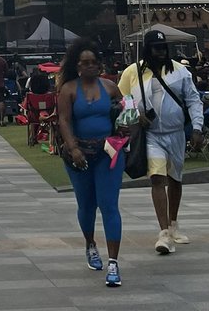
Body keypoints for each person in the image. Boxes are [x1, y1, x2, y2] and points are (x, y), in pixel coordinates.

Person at [118, 29, 204, 255]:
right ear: (147, 49)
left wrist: (197, 128)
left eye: (163, 48)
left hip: (176, 133)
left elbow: (193, 100)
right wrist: (136, 115)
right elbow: (121, 101)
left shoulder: (179, 71)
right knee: (157, 178)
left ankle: (173, 223)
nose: (160, 52)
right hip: (151, 135)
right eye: (156, 48)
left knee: (175, 178)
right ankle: (164, 232)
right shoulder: (132, 72)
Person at [56, 41, 126, 288]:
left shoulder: (110, 87)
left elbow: (126, 111)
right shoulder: (69, 90)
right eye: (84, 63)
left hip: (108, 153)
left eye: (93, 62)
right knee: (86, 205)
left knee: (109, 205)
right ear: (77, 65)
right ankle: (90, 244)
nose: (90, 66)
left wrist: (127, 122)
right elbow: (64, 120)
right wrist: (73, 148)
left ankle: (113, 262)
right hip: (80, 154)